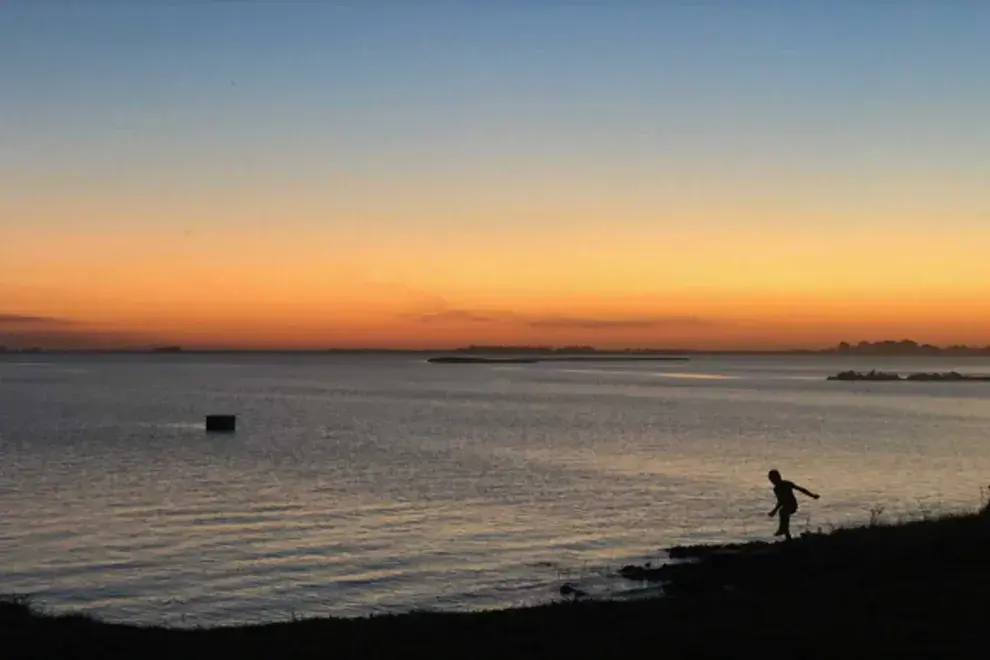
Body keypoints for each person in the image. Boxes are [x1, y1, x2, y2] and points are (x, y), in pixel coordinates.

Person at [767, 469, 819, 540]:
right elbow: (780, 501)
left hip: (793, 505)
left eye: (773, 479)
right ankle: (787, 537)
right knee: (783, 514)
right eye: (771, 480)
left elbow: (800, 489)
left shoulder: (787, 484)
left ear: (779, 477)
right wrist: (774, 510)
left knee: (783, 512)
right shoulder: (776, 489)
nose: (772, 481)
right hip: (785, 506)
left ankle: (782, 530)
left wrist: (812, 495)